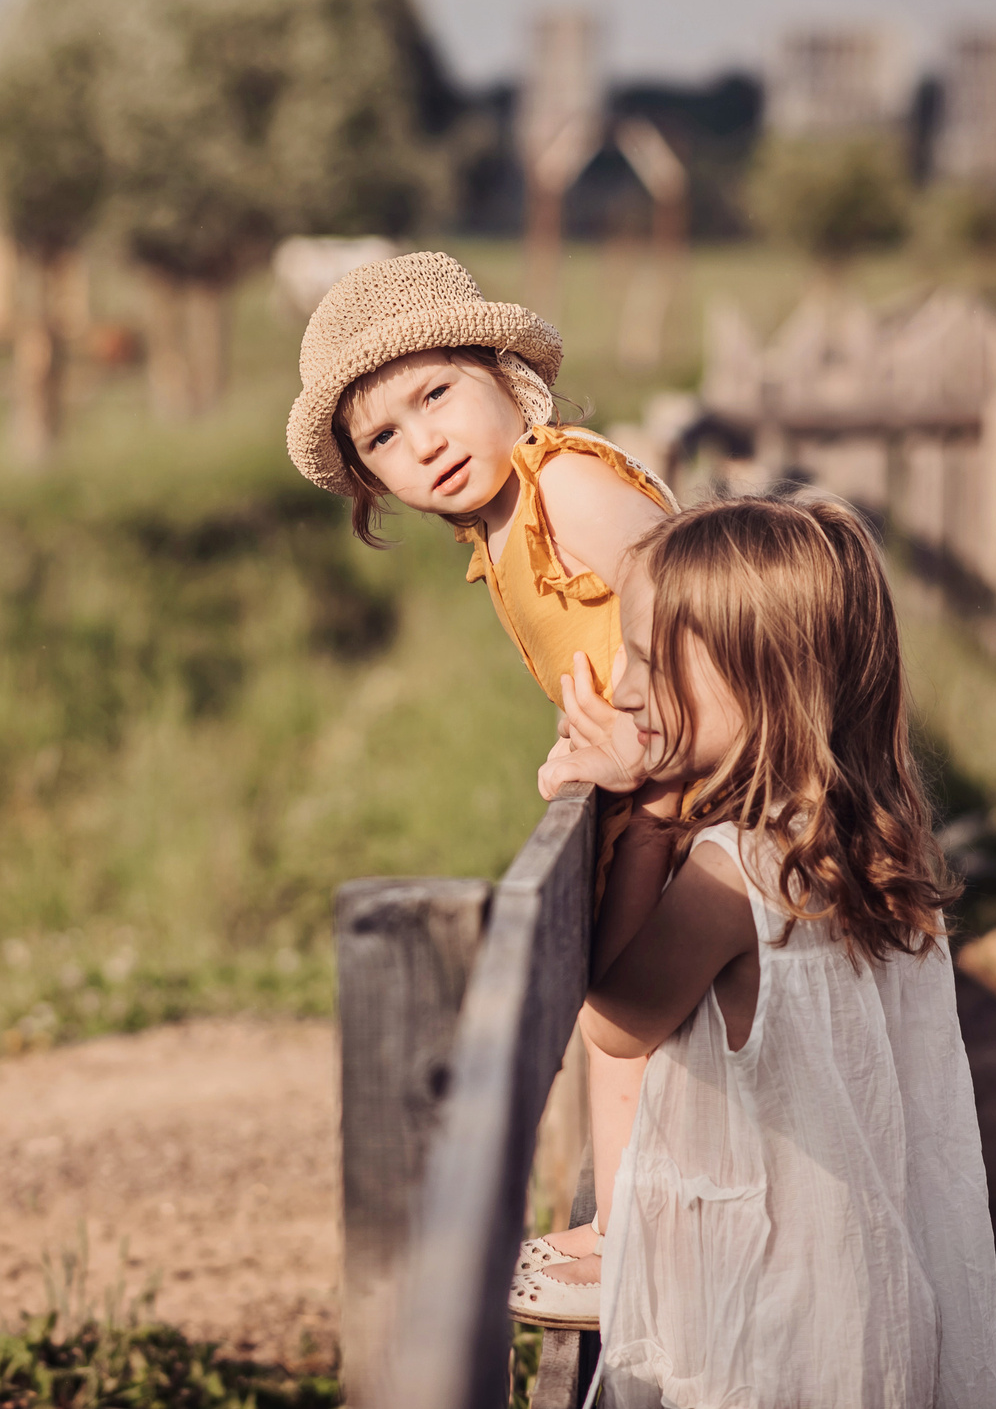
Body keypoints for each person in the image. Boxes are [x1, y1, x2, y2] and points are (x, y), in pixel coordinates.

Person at [514, 494, 996, 1408]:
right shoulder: (854, 840)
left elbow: (621, 1022)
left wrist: (649, 819)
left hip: (761, 1319)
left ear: (755, 683)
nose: (620, 686)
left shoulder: (735, 872)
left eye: (642, 658)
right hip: (854, 1295)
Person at [285, 249, 678, 1295]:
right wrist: (582, 735)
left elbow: (688, 597)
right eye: (383, 436)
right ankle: (631, 1220)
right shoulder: (506, 527)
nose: (425, 441)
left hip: (697, 787)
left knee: (617, 1010)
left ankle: (633, 1230)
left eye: (435, 393)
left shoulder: (566, 481)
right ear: (370, 480)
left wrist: (633, 730)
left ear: (509, 379)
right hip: (658, 792)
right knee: (610, 1004)